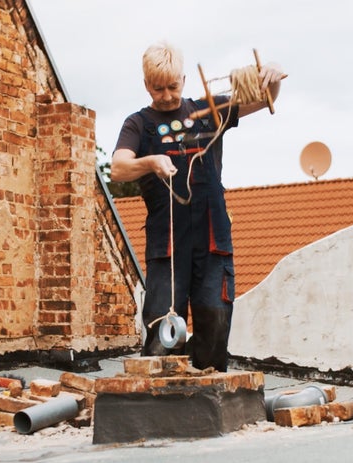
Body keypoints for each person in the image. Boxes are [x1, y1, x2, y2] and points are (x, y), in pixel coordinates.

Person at [111, 41, 283, 372]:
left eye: (172, 86)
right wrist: (150, 161)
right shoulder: (138, 124)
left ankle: (209, 392)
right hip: (168, 246)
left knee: (215, 322)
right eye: (158, 88)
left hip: (213, 241)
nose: (166, 95)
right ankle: (158, 397)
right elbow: (118, 168)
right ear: (146, 84)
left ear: (184, 79)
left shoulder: (209, 112)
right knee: (162, 333)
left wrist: (272, 74)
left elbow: (265, 98)